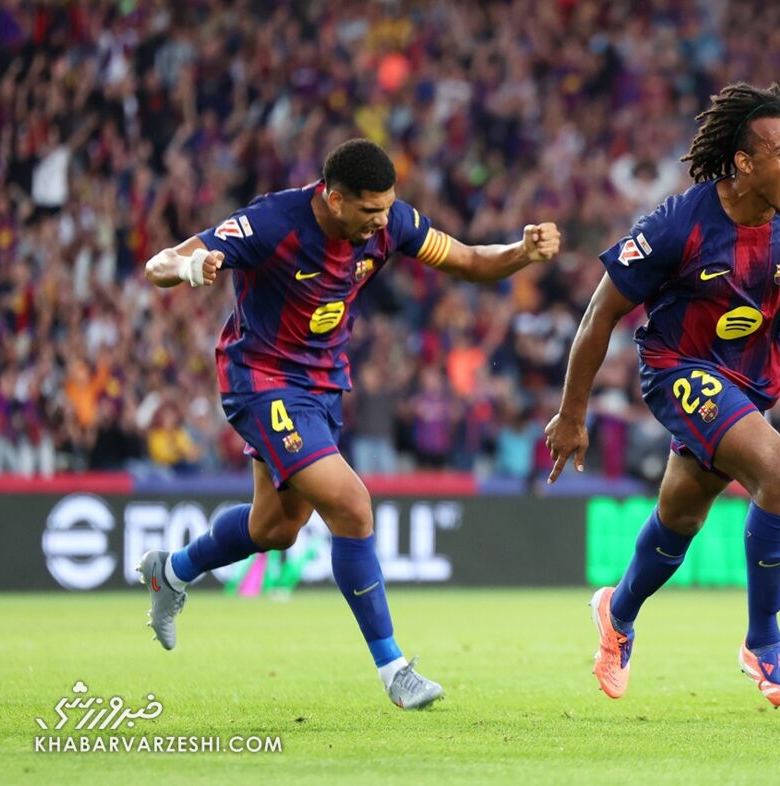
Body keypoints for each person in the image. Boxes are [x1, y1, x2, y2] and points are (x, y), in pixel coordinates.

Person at [137, 138, 560, 709]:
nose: (382, 220)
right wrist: (191, 266)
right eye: (370, 209)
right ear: (334, 198)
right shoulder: (271, 222)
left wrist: (522, 252)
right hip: (262, 381)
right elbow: (158, 264)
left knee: (275, 528)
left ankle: (171, 571)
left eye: (387, 207)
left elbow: (468, 261)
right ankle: (394, 670)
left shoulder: (391, 222)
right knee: (352, 506)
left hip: (321, 385)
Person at [545, 83, 780, 710]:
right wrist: (572, 414)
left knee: (681, 518)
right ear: (744, 162)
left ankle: (616, 611)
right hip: (678, 368)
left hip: (750, 382)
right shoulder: (678, 223)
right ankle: (763, 643)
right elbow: (600, 315)